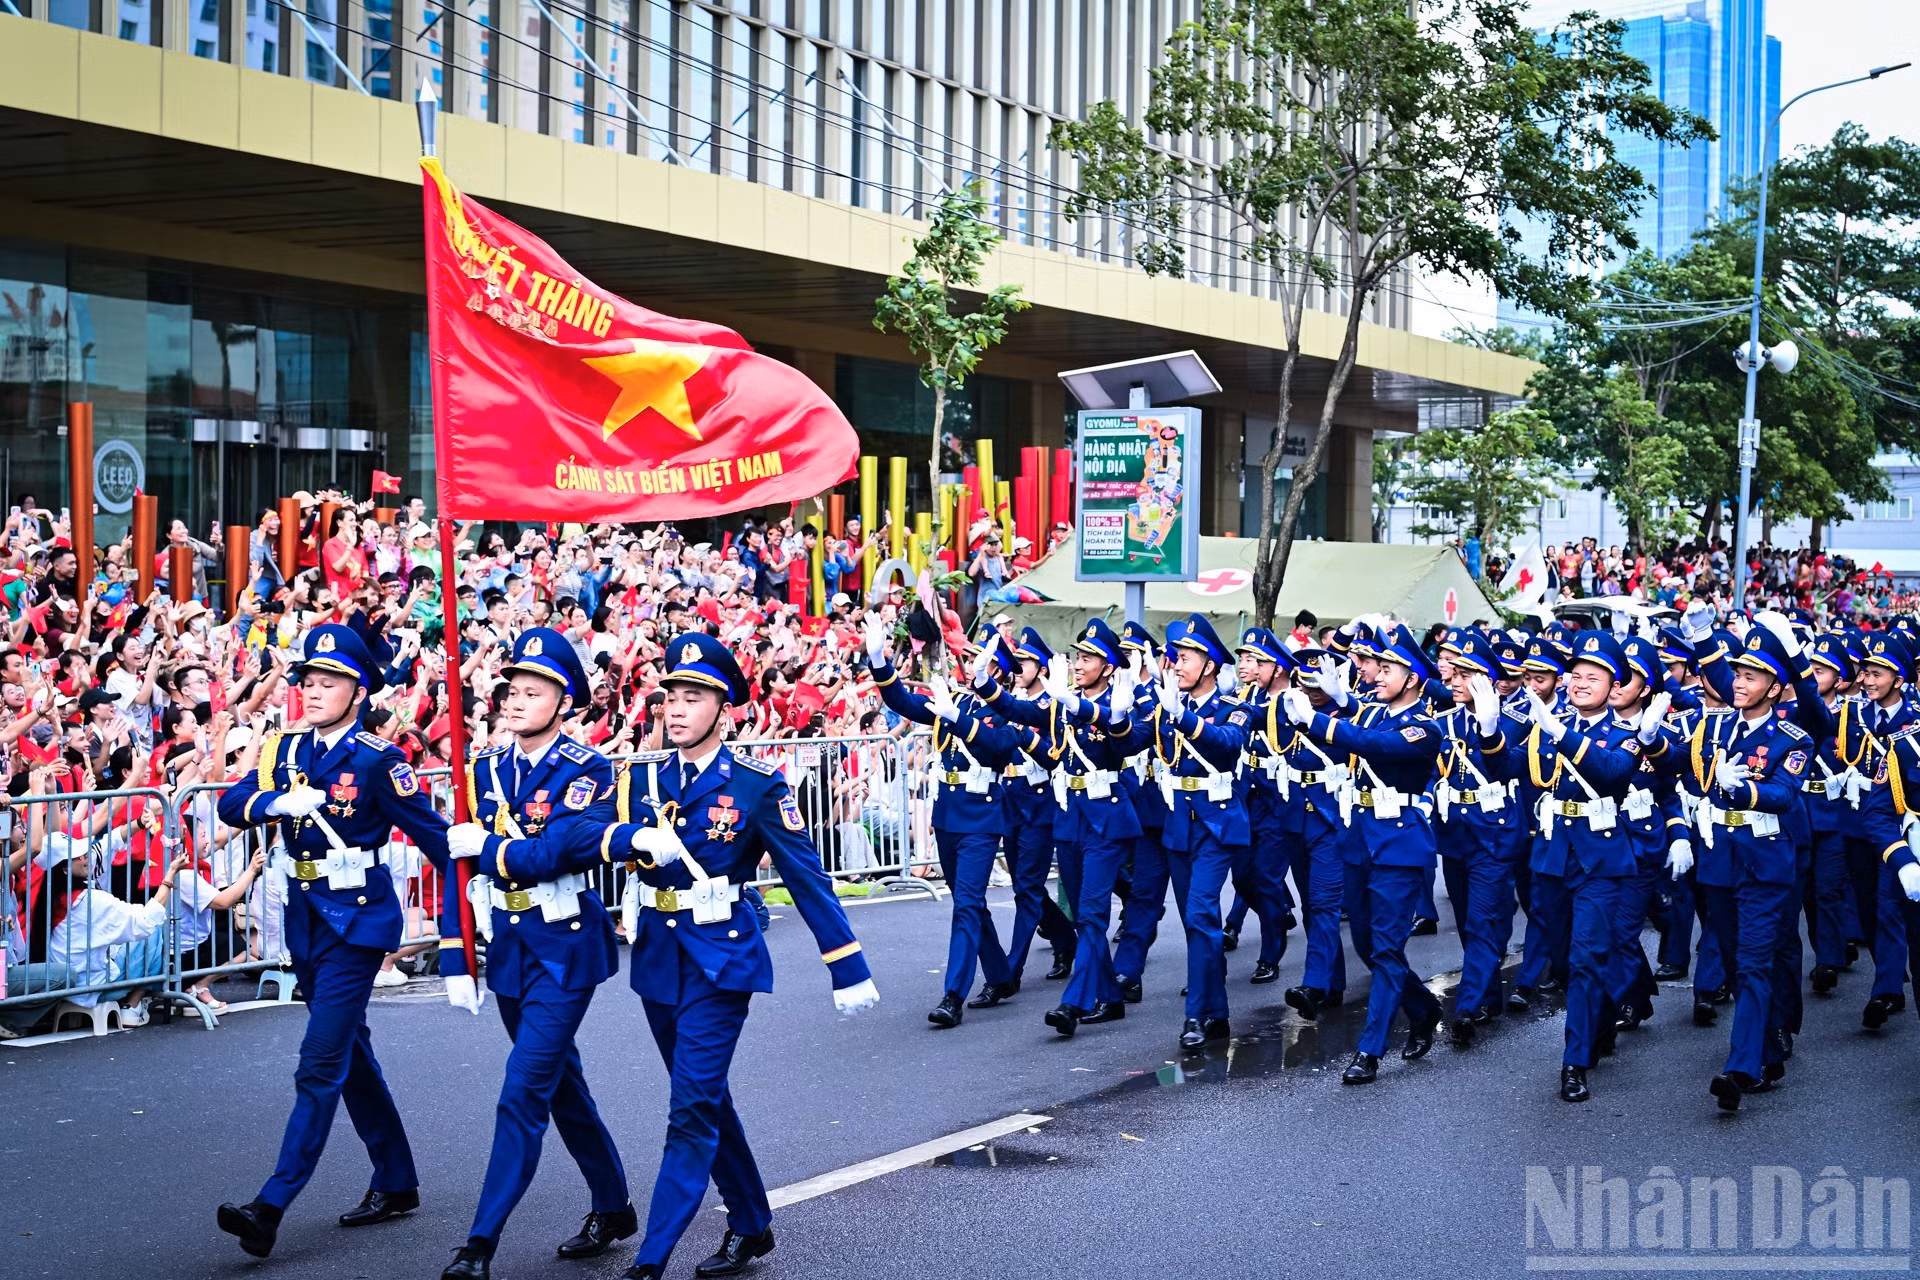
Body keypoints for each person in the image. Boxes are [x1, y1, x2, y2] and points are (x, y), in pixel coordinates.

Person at [601, 633, 879, 1280]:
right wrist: (625, 836)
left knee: (690, 1108)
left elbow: (806, 876)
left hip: (722, 961)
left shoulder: (755, 786)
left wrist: (847, 963)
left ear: (723, 709)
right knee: (706, 1097)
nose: (675, 708)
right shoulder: (641, 777)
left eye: (692, 697)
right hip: (659, 959)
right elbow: (588, 835)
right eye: (671, 695)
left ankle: (649, 1260)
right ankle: (751, 1223)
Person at [213, 621, 453, 1260]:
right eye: (308, 682)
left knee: (319, 1061)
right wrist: (273, 806)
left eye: (328, 682)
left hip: (358, 923)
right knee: (350, 1054)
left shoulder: (379, 760)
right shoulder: (287, 752)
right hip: (307, 920)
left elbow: (435, 836)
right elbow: (232, 805)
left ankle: (271, 1205)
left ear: (358, 690)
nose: (313, 692)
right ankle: (397, 1180)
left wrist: (480, 895)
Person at [436, 628, 635, 1279]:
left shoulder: (588, 769)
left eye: (534, 691)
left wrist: (486, 851)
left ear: (565, 698)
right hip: (511, 950)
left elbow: (560, 850)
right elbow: (454, 867)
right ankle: (613, 1205)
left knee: (521, 1091)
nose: (517, 701)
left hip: (565, 949)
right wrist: (454, 955)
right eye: (512, 690)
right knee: (560, 1087)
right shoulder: (483, 768)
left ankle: (479, 1245)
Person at [1280, 625, 1444, 1084]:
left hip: (1400, 843)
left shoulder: (1424, 728)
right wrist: (1333, 701)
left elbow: (1375, 745)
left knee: (1388, 947)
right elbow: (1361, 722)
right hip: (1359, 839)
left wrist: (1317, 720)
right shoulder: (1371, 712)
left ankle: (1370, 1050)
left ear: (1412, 678)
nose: (1374, 674)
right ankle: (1423, 1007)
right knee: (1368, 946)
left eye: (1387, 668)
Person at [867, 620, 1036, 1027]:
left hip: (981, 816)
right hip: (948, 814)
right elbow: (905, 703)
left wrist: (956, 717)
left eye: (982, 660)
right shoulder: (956, 699)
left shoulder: (1011, 709)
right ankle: (1000, 975)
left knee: (965, 904)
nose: (970, 663)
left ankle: (952, 996)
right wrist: (878, 661)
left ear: (997, 670)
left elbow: (997, 746)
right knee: (972, 905)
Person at [1127, 613, 1252, 1049]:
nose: (1176, 665)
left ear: (1210, 665)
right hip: (1179, 823)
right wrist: (1115, 715)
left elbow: (1227, 745)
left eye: (1185, 657)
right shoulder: (1166, 704)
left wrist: (1184, 720)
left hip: (1217, 823)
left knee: (1200, 914)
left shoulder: (1233, 708)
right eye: (1175, 657)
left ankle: (1195, 1015)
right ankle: (1218, 1013)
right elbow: (1131, 741)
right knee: (1197, 922)